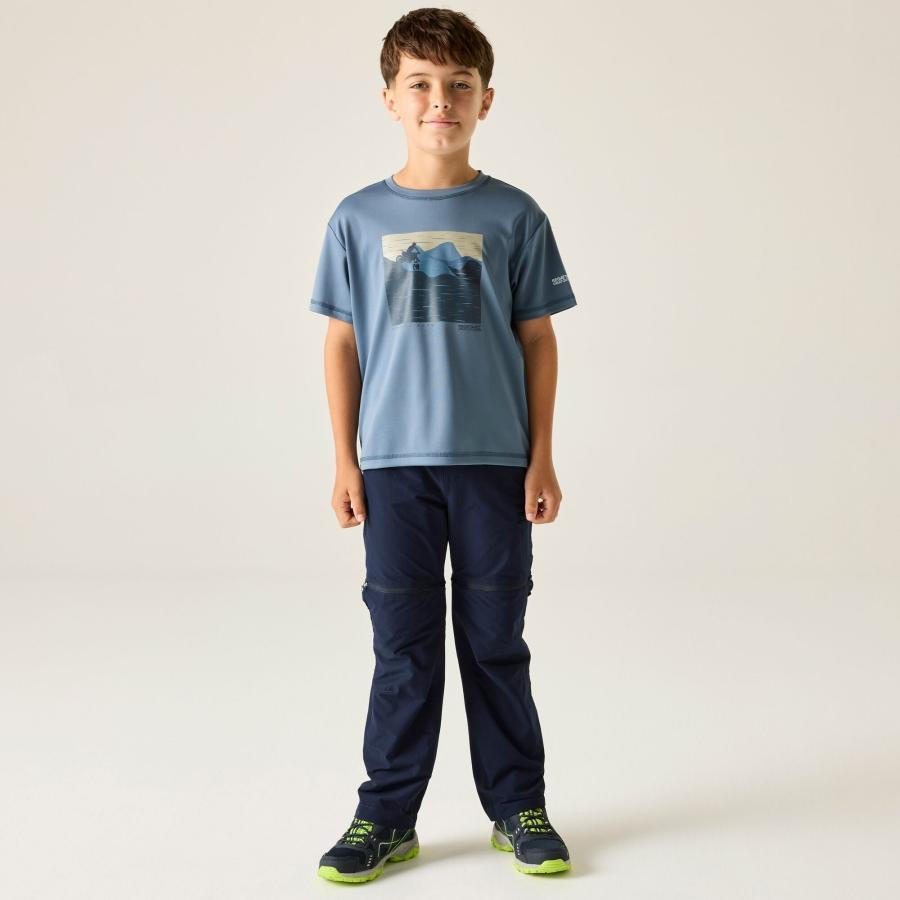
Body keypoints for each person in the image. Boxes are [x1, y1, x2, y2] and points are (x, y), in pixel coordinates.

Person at [309, 8, 577, 883]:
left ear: (485, 100)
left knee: (496, 641)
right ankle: (386, 816)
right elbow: (342, 343)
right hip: (394, 470)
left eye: (459, 85)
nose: (440, 101)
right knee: (404, 648)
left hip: (496, 466)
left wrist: (541, 455)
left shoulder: (515, 214)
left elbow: (537, 338)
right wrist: (345, 460)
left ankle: (518, 806)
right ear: (390, 98)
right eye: (420, 84)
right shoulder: (356, 218)